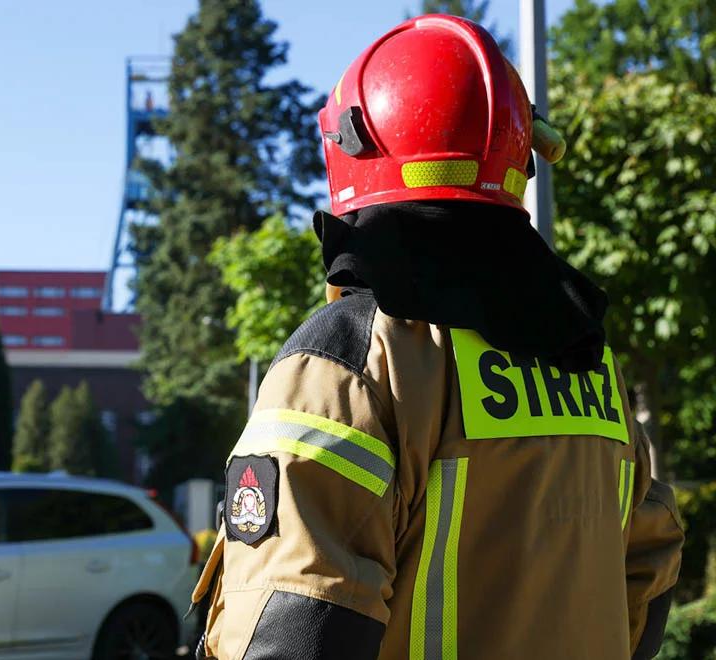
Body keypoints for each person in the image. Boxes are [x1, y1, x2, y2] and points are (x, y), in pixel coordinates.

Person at [191, 14, 684, 660]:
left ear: (353, 149)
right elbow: (650, 567)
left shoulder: (350, 364)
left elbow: (291, 629)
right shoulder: (593, 366)